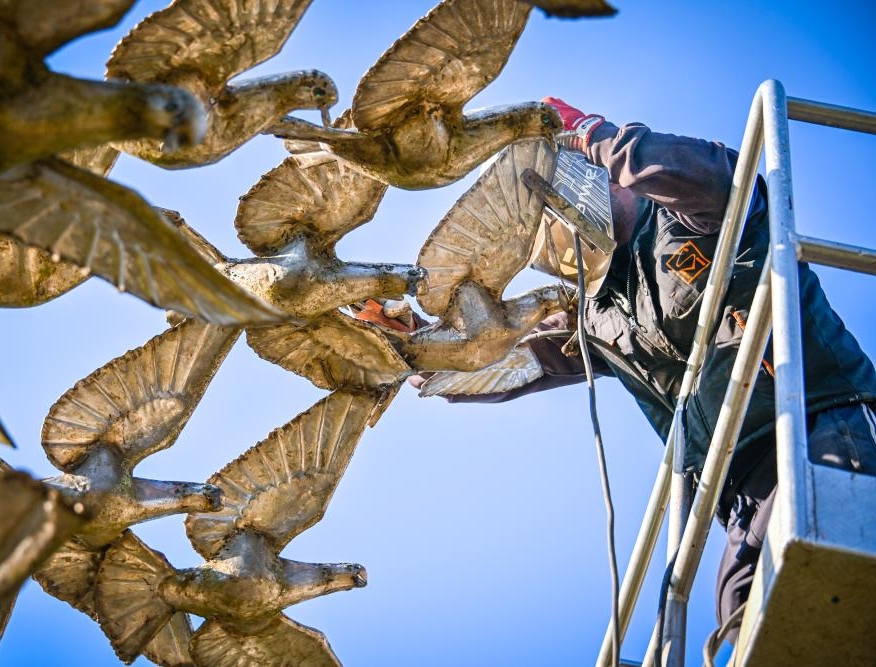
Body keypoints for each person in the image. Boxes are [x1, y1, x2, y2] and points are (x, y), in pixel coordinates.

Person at [360, 98, 876, 644]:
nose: (560, 236)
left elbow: (712, 174)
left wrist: (587, 134)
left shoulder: (692, 216)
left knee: (807, 572)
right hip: (734, 496)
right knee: (741, 623)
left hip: (819, 428)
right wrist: (418, 347)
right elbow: (505, 362)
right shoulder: (598, 316)